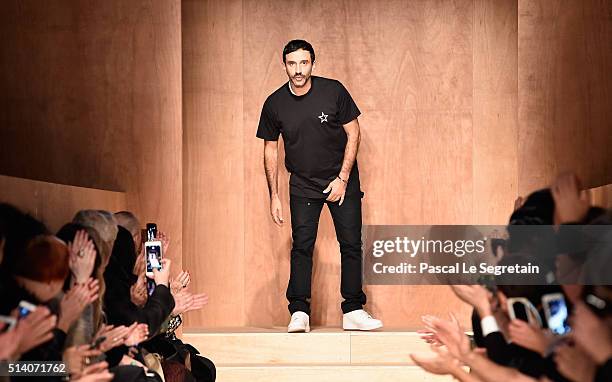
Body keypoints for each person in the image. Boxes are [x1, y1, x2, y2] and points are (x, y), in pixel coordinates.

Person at [256, 39, 382, 332]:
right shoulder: (274, 103)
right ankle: (299, 311)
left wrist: (343, 179)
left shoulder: (333, 91)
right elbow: (270, 149)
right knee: (302, 246)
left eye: (304, 62)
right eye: (292, 63)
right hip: (302, 183)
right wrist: (274, 195)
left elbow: (354, 133)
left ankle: (353, 309)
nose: (298, 70)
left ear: (312, 63)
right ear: (284, 64)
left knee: (351, 244)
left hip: (341, 180)